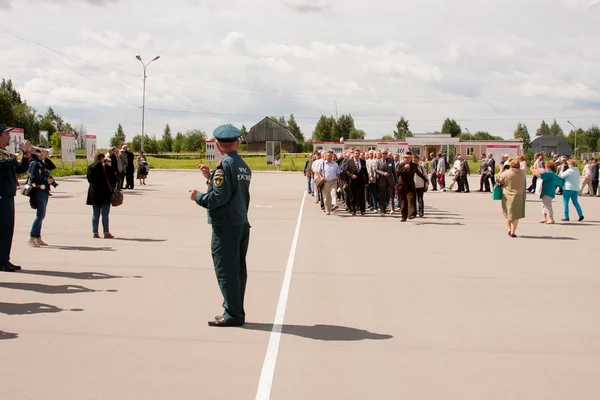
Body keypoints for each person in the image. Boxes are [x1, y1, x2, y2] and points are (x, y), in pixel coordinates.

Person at [189, 124, 251, 327]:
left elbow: (218, 197)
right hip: (240, 222)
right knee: (238, 270)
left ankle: (233, 313)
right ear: (238, 142)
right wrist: (210, 178)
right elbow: (236, 192)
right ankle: (235, 309)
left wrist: (198, 197)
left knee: (226, 270)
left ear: (217, 144)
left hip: (226, 225)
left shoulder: (224, 166)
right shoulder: (242, 165)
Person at [0, 125, 32, 272]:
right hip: (2, 196)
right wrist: (21, 152)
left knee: (7, 229)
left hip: (7, 195)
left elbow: (18, 169)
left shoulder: (5, 153)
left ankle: (4, 259)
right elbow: (7, 165)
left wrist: (26, 157)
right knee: (3, 229)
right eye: (7, 134)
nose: (10, 137)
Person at [27, 148, 56, 247]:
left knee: (41, 215)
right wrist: (45, 181)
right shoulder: (35, 163)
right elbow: (33, 179)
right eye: (45, 152)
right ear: (39, 152)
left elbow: (52, 166)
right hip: (39, 191)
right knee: (40, 215)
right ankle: (31, 237)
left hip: (44, 191)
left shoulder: (41, 163)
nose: (47, 153)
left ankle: (37, 237)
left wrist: (45, 158)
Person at [86, 152, 116, 239]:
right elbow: (112, 178)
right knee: (105, 214)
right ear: (102, 158)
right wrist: (109, 165)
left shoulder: (90, 167)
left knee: (95, 214)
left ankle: (95, 232)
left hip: (94, 192)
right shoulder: (105, 167)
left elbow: (89, 179)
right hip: (105, 192)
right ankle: (106, 232)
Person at [496, 158, 526, 238]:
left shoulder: (506, 173)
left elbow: (498, 180)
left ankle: (509, 229)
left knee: (508, 214)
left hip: (507, 195)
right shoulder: (522, 173)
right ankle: (513, 231)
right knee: (515, 216)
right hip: (518, 195)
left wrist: (500, 171)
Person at [396, 151, 428, 222]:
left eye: (408, 158)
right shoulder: (401, 164)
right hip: (402, 185)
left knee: (411, 199)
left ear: (411, 158)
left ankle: (411, 214)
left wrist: (425, 180)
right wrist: (404, 168)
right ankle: (403, 216)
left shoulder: (414, 165)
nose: (406, 159)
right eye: (405, 158)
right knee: (403, 201)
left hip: (411, 185)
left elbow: (419, 173)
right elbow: (397, 173)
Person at [342, 148, 368, 216]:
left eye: (358, 154)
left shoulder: (363, 161)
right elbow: (346, 170)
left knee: (361, 196)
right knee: (352, 196)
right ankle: (353, 210)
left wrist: (366, 182)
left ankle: (363, 211)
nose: (357, 155)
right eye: (356, 153)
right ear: (353, 154)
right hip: (352, 182)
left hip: (361, 182)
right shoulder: (349, 162)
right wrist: (351, 175)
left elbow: (365, 172)